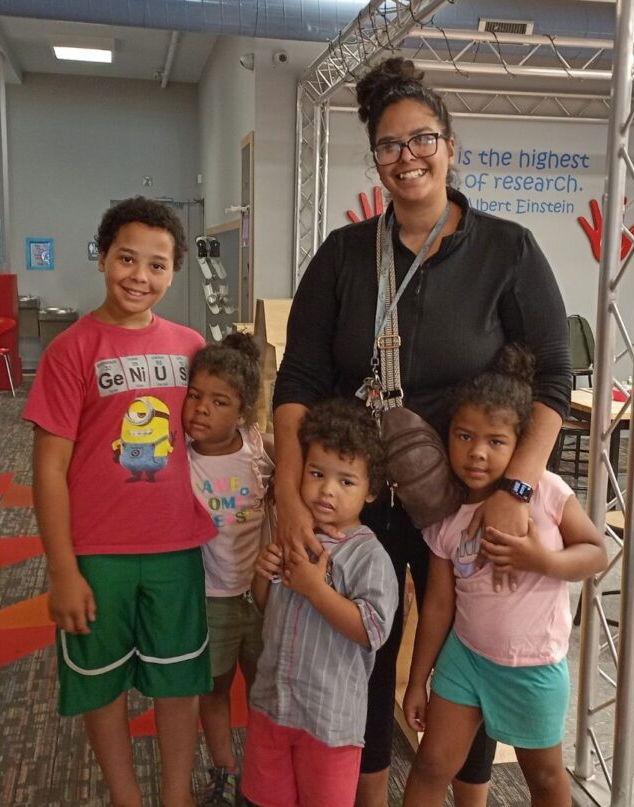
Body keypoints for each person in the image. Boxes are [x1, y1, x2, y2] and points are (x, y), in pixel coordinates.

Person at [272, 57, 572, 806]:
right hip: (356, 494)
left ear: (449, 144)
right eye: (388, 145)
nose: (406, 157)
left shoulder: (507, 250)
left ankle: (467, 793)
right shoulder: (343, 256)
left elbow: (554, 382)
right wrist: (287, 493)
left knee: (466, 644)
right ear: (373, 157)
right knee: (361, 653)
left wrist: (515, 486)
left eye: (421, 139)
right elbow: (297, 384)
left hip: (467, 495)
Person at [23, 197, 216, 807]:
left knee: (178, 682)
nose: (140, 275)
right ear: (102, 257)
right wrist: (62, 568)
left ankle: (177, 795)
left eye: (157, 265)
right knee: (100, 687)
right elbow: (49, 468)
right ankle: (127, 797)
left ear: (174, 272)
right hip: (97, 553)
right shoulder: (72, 350)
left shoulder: (191, 346)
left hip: (176, 548)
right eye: (127, 258)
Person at [402, 345, 607, 807]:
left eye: (495, 441)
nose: (477, 453)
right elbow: (437, 605)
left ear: (519, 447)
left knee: (548, 782)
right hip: (466, 661)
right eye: (464, 436)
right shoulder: (445, 514)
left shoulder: (546, 493)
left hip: (532, 668)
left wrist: (543, 561)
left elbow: (597, 554)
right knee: (431, 766)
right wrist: (418, 681)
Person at [242, 399, 399, 807]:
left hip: (329, 722)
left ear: (371, 490)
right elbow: (266, 608)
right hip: (272, 705)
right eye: (316, 474)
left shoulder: (370, 557)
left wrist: (317, 589)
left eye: (347, 481)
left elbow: (372, 631)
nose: (327, 489)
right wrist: (263, 573)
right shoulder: (293, 534)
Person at [183, 332, 275, 807]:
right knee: (215, 688)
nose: (200, 409)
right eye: (195, 396)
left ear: (240, 413)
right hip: (212, 598)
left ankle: (264, 771)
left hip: (262, 599)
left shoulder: (259, 451)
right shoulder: (180, 458)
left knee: (264, 688)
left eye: (218, 402)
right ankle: (224, 770)